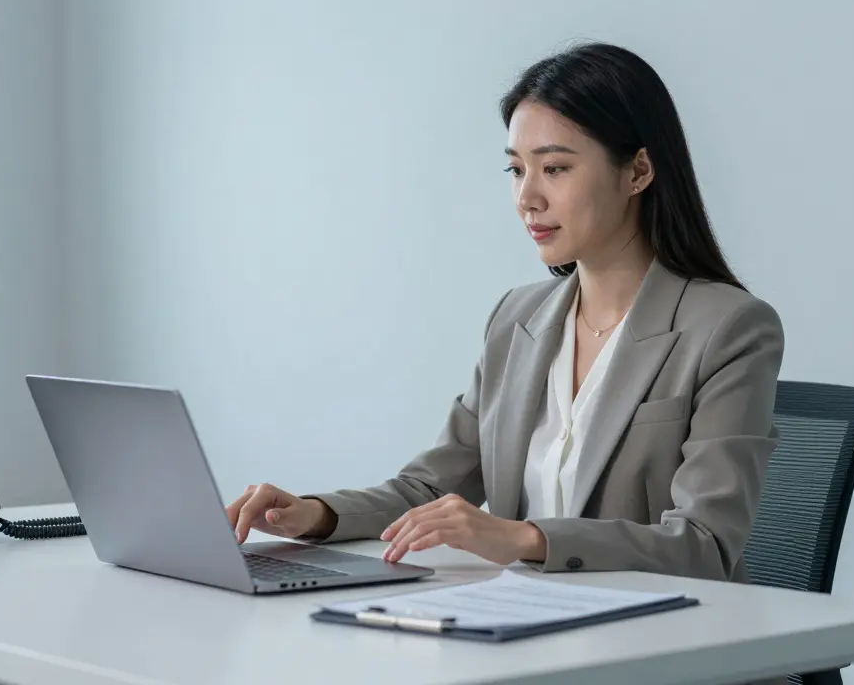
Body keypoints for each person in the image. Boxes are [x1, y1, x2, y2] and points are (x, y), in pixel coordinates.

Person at [224, 42, 784, 583]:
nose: (527, 198)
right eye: (517, 170)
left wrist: (525, 538)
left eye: (556, 169)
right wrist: (315, 514)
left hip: (666, 646)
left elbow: (706, 545)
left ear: (638, 171)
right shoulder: (516, 320)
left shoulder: (727, 328)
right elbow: (429, 490)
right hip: (532, 627)